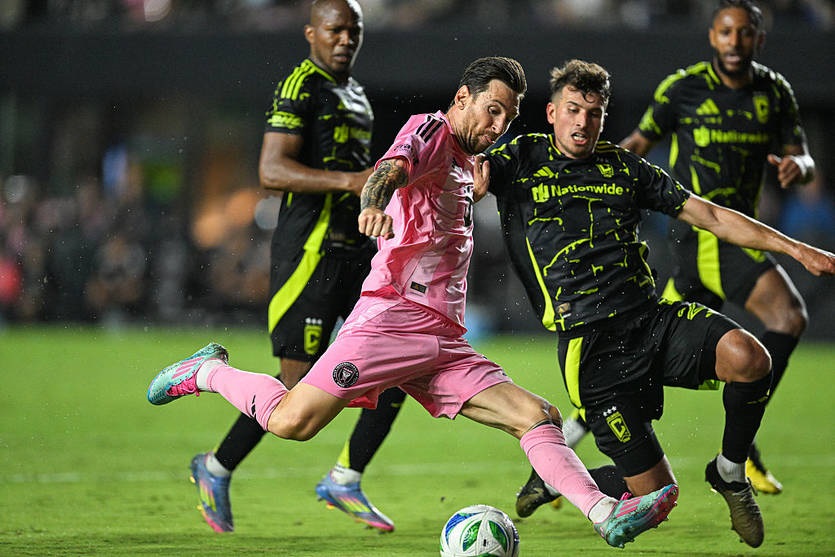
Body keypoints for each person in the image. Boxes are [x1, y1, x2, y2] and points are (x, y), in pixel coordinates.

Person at [148, 55, 679, 549]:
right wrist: (373, 203)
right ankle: (207, 372)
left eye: (508, 117)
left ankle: (605, 513)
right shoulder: (431, 131)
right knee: (292, 423)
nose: (498, 126)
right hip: (393, 321)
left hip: (443, 339)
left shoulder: (469, 163)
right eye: (492, 110)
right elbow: (391, 169)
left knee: (537, 415)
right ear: (463, 97)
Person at [477, 59, 835, 548]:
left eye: (594, 113)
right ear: (552, 112)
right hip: (593, 349)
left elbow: (710, 215)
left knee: (751, 358)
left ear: (604, 118)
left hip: (651, 320)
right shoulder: (521, 158)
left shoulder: (624, 167)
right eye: (573, 110)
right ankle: (560, 478)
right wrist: (467, 174)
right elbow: (465, 159)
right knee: (658, 496)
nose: (583, 122)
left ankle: (730, 472)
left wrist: (797, 249)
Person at [187, 0, 404, 534]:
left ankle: (346, 478)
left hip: (355, 252)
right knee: (296, 389)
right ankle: (215, 465)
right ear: (311, 33)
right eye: (335, 29)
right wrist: (350, 182)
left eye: (354, 30)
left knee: (398, 363)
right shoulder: (300, 86)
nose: (345, 39)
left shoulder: (355, 93)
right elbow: (271, 170)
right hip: (309, 253)